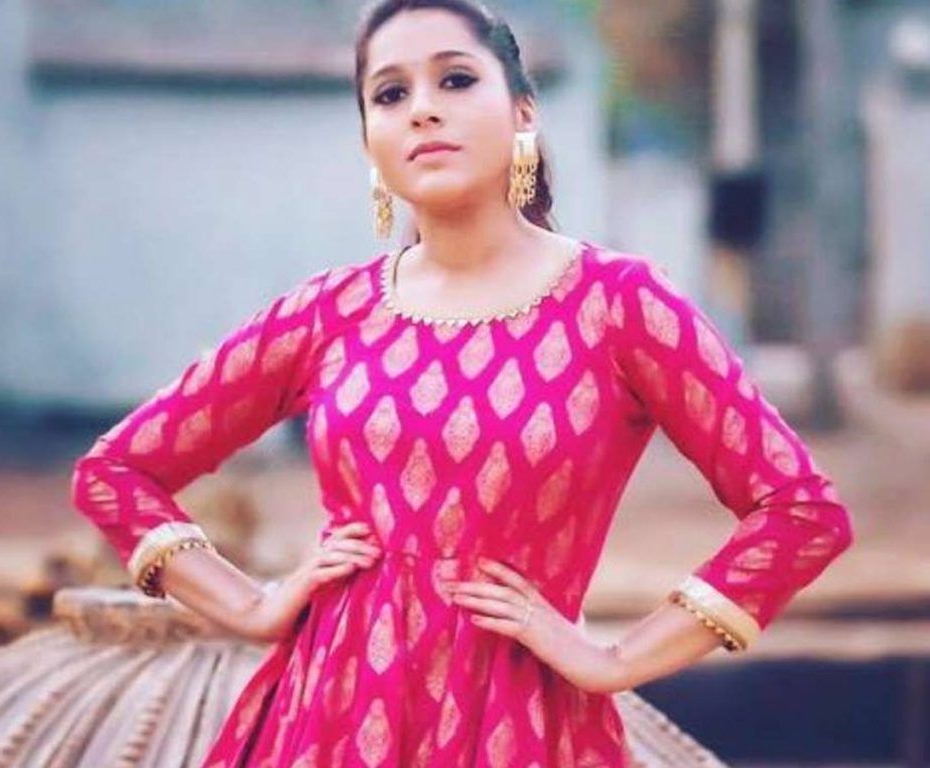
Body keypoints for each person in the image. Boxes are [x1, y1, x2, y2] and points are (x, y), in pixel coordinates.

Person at [70, 1, 856, 765]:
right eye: (390, 94)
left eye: (455, 79)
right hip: (329, 722)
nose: (422, 109)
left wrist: (616, 659)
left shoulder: (618, 306)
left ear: (522, 113)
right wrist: (252, 605)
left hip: (521, 724)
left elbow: (799, 513)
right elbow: (116, 473)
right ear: (369, 140)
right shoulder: (329, 313)